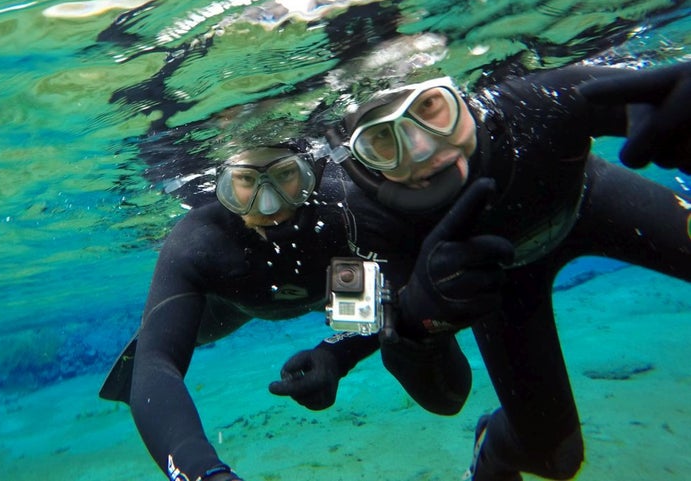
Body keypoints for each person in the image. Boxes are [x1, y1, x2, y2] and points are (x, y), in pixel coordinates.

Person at [276, 61, 691, 481]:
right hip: (498, 287)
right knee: (554, 458)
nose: (421, 150)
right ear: (358, 161)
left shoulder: (531, 104)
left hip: (588, 200)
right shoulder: (355, 215)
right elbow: (440, 394)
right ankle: (490, 446)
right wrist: (410, 328)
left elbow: (650, 94)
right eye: (382, 140)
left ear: (464, 97)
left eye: (432, 107)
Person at [99, 137, 514, 481]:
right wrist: (204, 474)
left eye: (285, 177)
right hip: (226, 304)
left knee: (445, 394)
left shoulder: (344, 214)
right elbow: (155, 365)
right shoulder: (200, 240)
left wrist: (336, 354)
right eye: (245, 182)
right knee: (155, 356)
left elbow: (380, 305)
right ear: (220, 184)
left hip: (332, 284)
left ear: (311, 171)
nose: (267, 205)